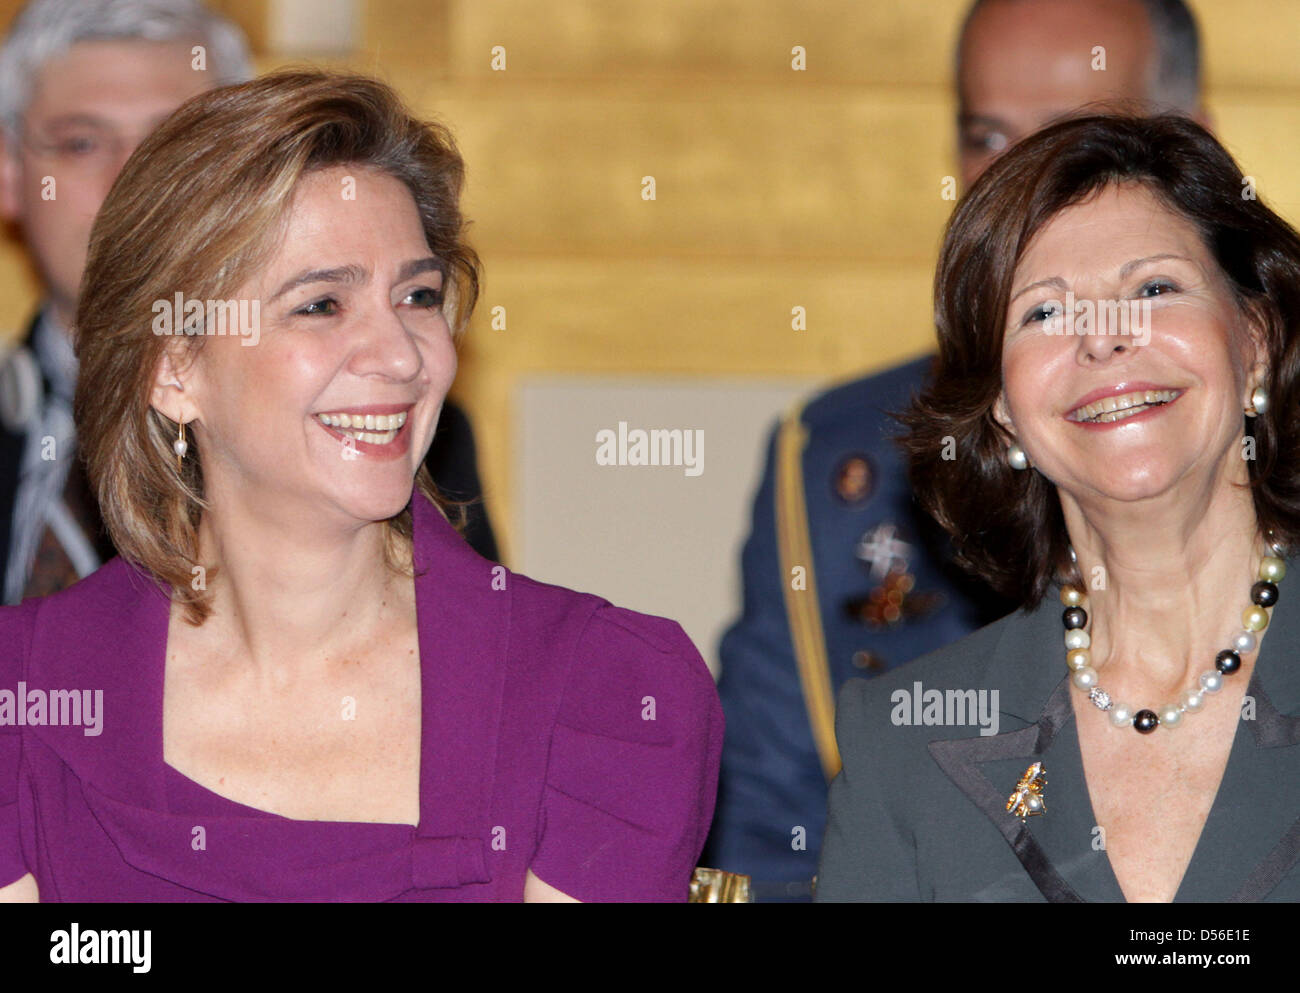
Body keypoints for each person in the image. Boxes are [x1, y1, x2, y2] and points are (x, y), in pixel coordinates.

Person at [0, 69, 722, 902]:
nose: (404, 354)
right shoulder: (29, 700)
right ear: (173, 368)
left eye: (417, 296)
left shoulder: (604, 696)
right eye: (321, 304)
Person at [702, 0, 1207, 899]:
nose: (1015, 179)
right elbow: (764, 842)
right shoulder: (842, 465)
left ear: (1191, 153)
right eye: (986, 135)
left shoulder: (1242, 413)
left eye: (1069, 141)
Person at [817, 112, 1300, 902]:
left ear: (1255, 337)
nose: (1103, 339)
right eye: (1045, 311)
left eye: (1153, 288)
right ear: (1003, 407)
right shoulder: (903, 738)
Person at [0, 0, 496, 607]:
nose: (133, 181)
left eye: (175, 145)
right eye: (81, 143)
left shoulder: (387, 420)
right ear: (8, 170)